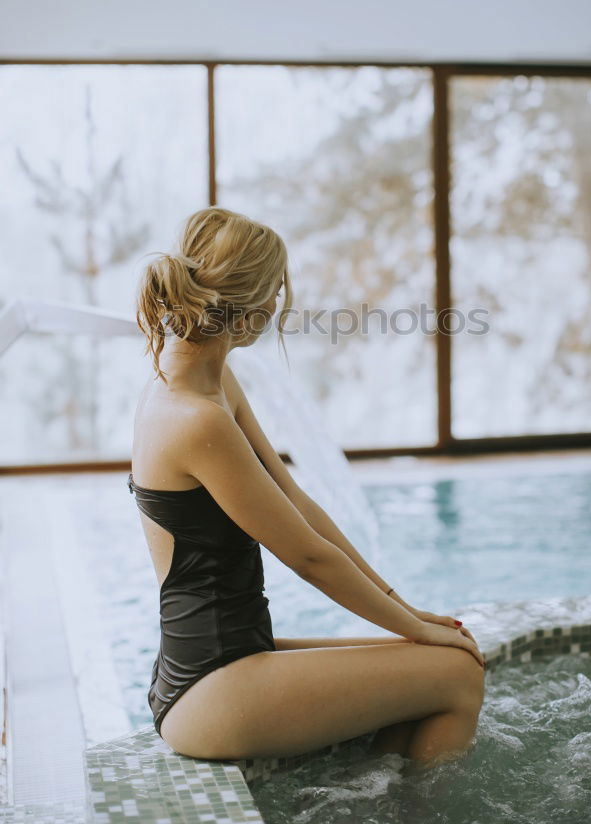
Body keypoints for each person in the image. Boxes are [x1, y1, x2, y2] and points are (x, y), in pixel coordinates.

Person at [130, 205, 485, 765]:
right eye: (275, 291)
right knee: (458, 674)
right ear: (250, 305)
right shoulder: (195, 418)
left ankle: (387, 802)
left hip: (226, 658)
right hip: (211, 688)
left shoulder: (209, 382)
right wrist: (419, 628)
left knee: (431, 661)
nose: (277, 306)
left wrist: (411, 616)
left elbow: (296, 503)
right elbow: (309, 558)